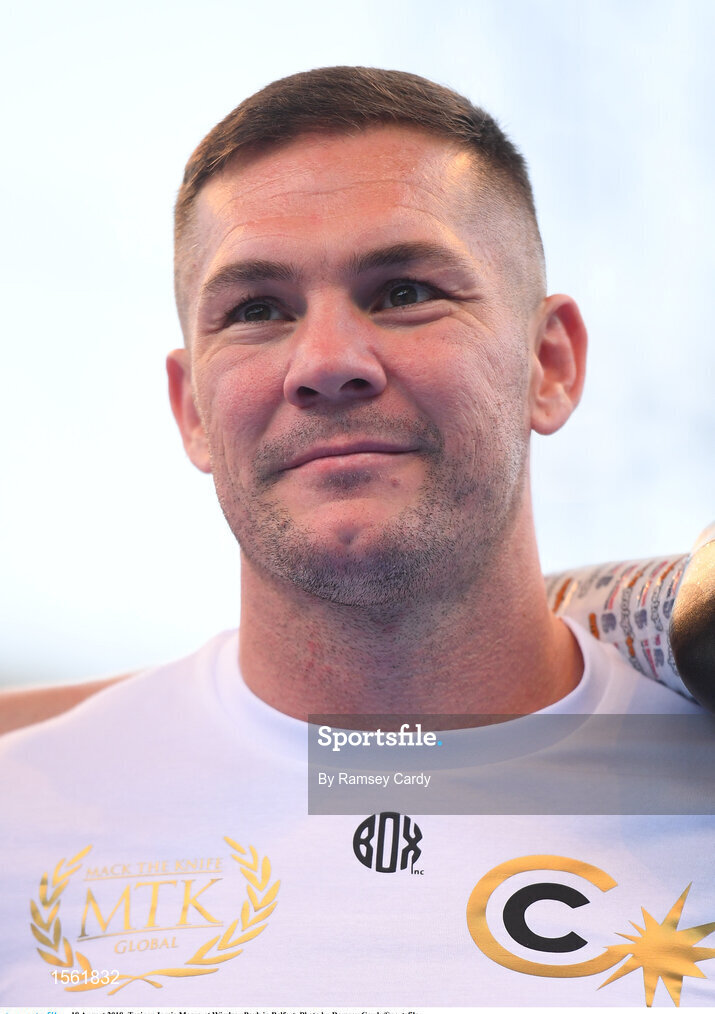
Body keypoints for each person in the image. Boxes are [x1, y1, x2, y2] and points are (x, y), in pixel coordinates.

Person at [1, 67, 713, 1009]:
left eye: (405, 290)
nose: (328, 363)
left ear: (549, 363)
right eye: (257, 310)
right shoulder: (23, 814)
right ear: (191, 411)